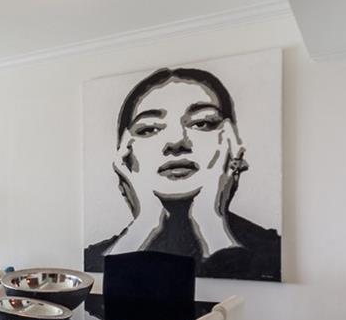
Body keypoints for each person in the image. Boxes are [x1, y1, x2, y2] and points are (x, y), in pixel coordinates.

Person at [84, 66, 280, 281]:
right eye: (149, 129)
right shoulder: (94, 258)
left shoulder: (272, 252)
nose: (177, 142)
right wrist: (144, 224)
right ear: (125, 153)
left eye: (202, 123)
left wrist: (212, 223)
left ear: (230, 142)